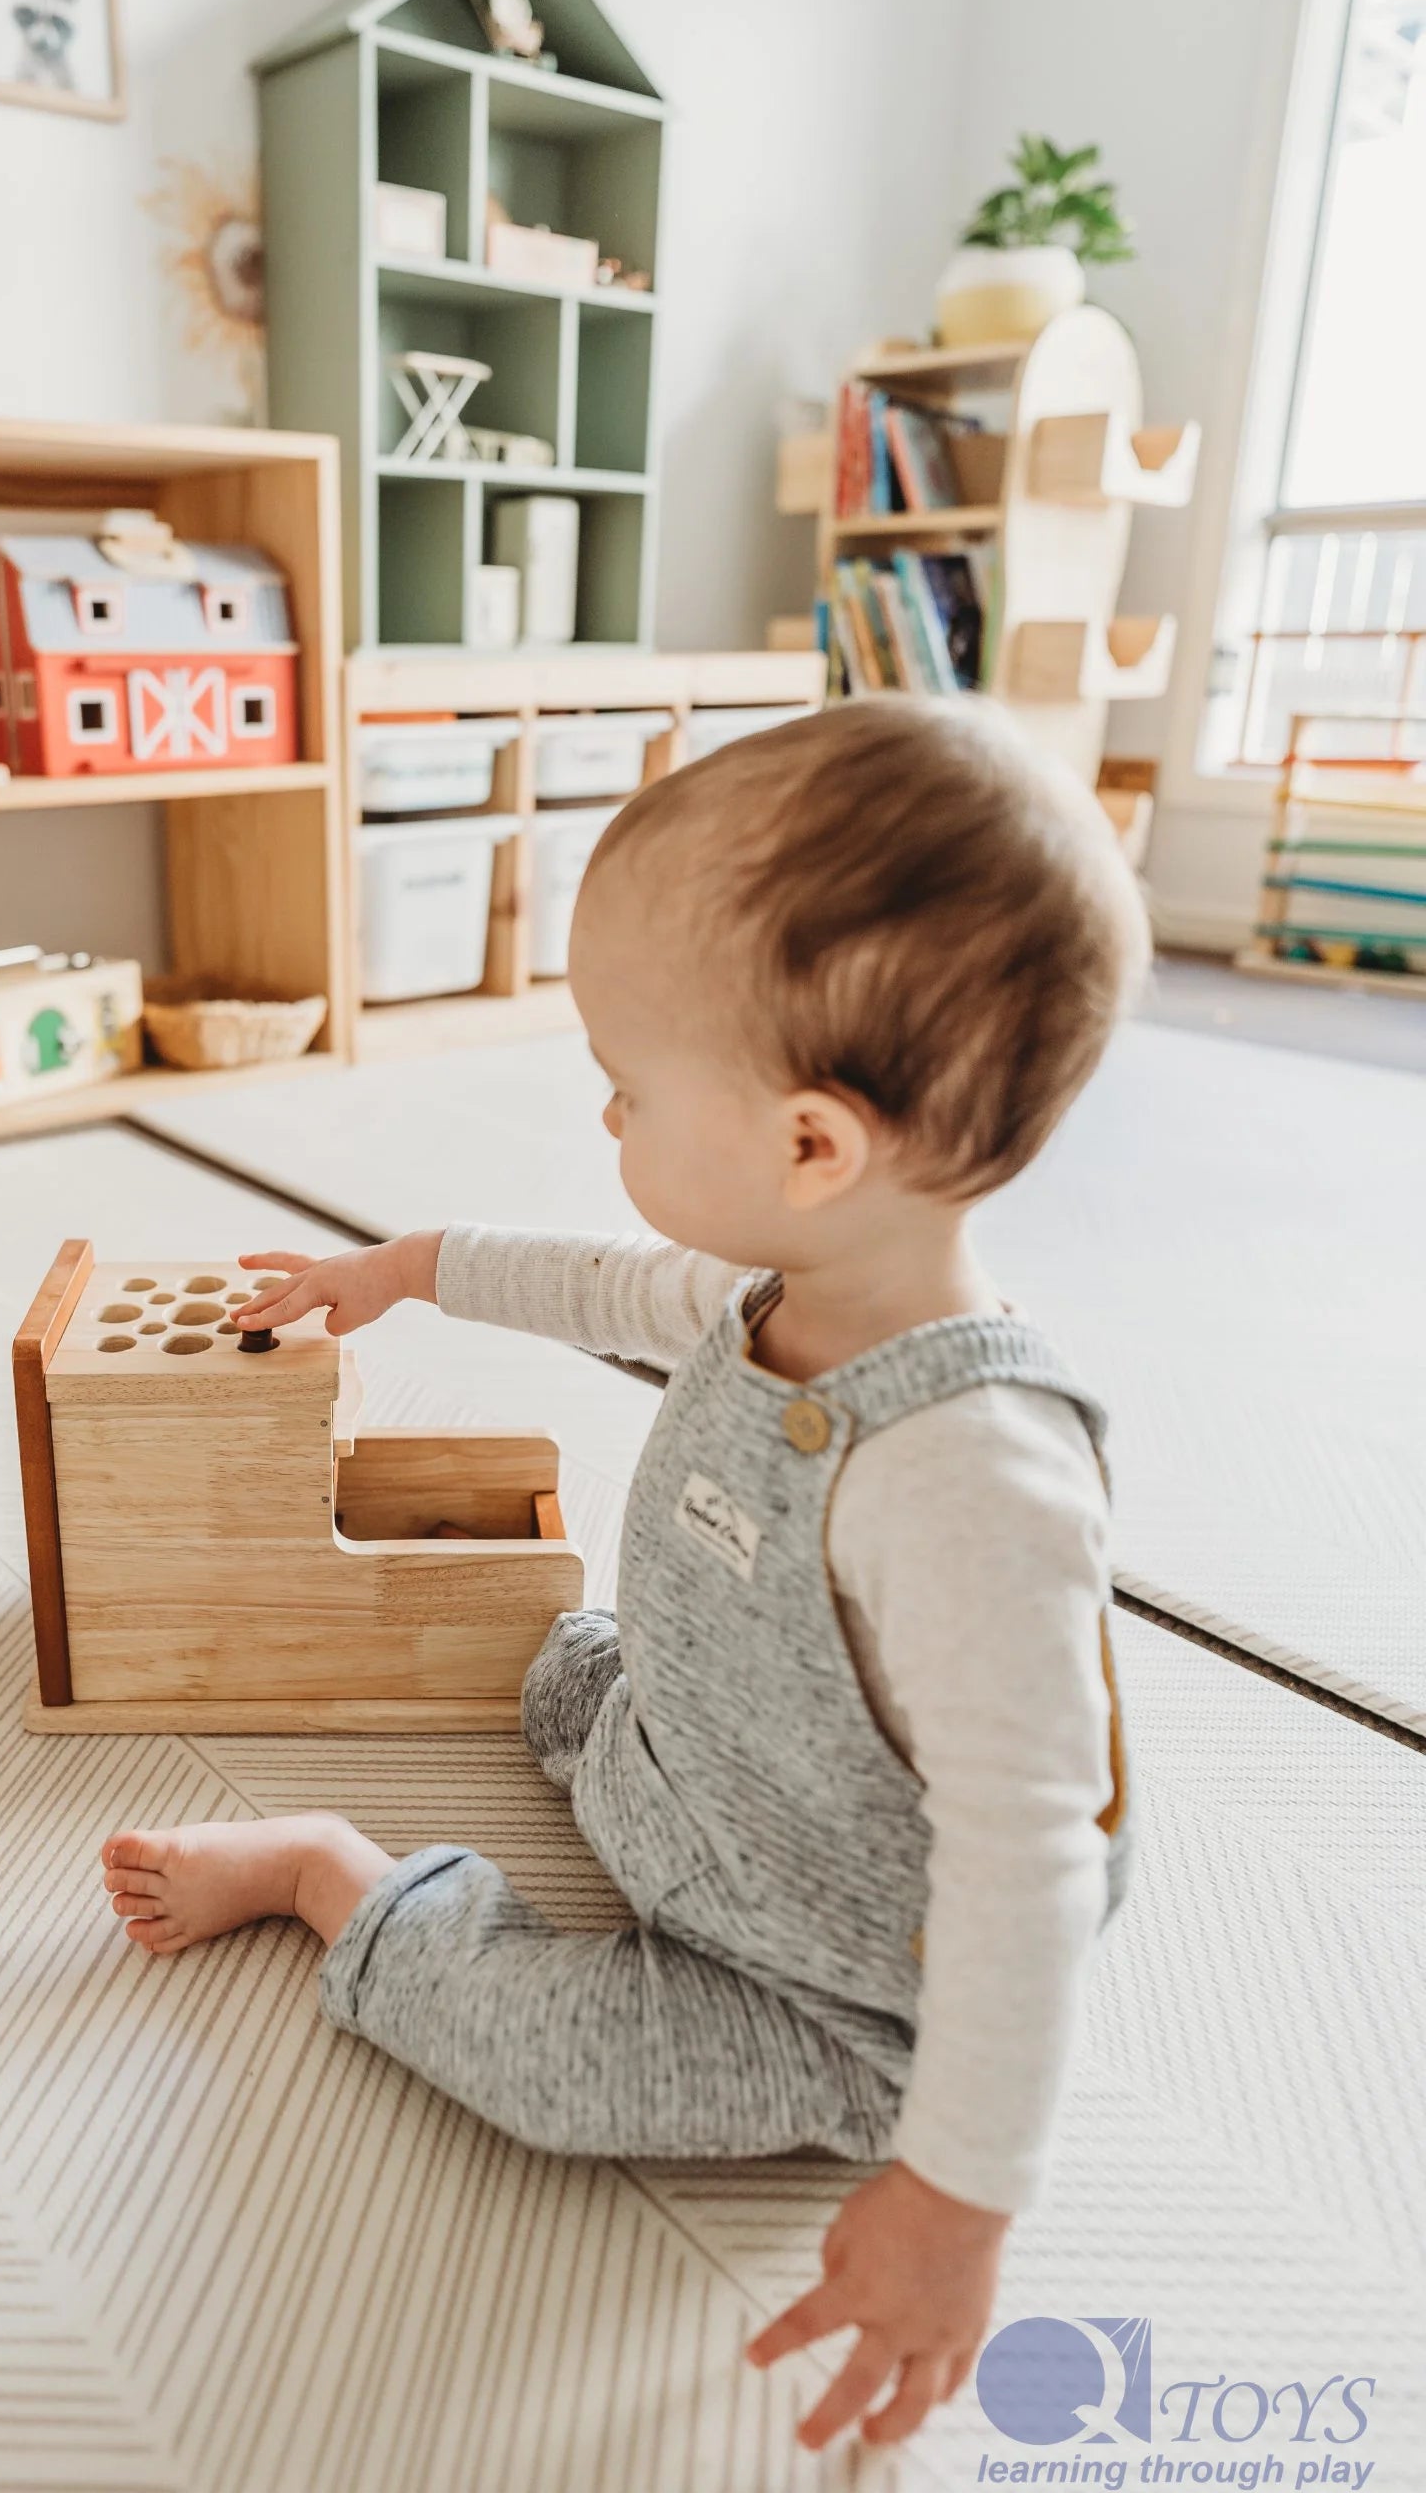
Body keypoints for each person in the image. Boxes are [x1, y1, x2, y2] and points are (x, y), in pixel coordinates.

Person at [100, 697, 1150, 2450]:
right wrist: (408, 1268)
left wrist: (959, 2203)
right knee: (552, 1668)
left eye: (630, 1086)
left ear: (814, 1145)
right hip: (699, 1750)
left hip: (824, 1971)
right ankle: (619, 1740)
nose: (603, 1107)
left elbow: (1025, 1873)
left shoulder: (973, 1480)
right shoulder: (778, 1288)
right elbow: (601, 1282)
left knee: (549, 2071)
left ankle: (331, 1882)